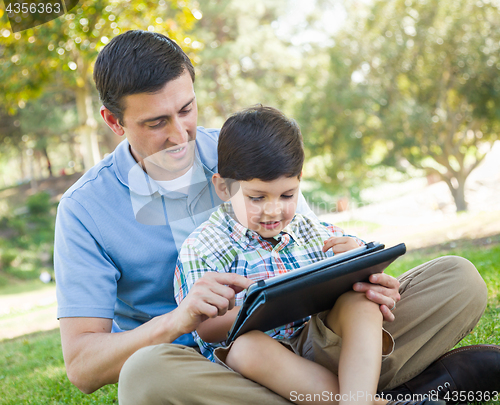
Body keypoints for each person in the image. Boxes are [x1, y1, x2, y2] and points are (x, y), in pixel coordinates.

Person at [53, 29, 498, 405]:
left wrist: (360, 274)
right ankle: (401, 392)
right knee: (144, 376)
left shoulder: (238, 149)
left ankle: (344, 393)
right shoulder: (84, 210)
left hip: (311, 338)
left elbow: (306, 243)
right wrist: (179, 319)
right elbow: (83, 367)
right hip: (212, 370)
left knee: (458, 280)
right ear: (114, 121)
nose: (179, 135)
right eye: (155, 122)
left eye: (186, 110)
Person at [173, 105, 437, 405]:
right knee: (247, 348)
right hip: (253, 372)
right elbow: (206, 329)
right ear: (223, 187)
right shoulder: (203, 247)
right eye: (256, 198)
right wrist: (273, 303)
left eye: (287, 195)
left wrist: (361, 265)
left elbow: (369, 292)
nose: (273, 210)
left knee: (365, 299)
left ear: (299, 181)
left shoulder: (317, 232)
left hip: (320, 350)